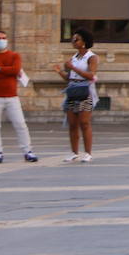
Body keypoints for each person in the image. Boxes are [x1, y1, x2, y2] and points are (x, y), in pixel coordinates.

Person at [54, 27, 99, 163]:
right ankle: (74, 152)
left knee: (84, 122)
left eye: (76, 39)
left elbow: (91, 75)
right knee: (72, 123)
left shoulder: (91, 57)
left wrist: (73, 67)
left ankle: (88, 152)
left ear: (84, 41)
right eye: (73, 39)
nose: (73, 41)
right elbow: (69, 77)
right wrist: (60, 72)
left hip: (85, 91)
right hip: (73, 90)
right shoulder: (74, 57)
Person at [0, 29, 37, 163]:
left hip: (12, 97)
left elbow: (15, 70)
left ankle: (28, 151)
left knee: (20, 124)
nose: (1, 40)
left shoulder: (15, 55)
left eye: (3, 38)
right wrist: (8, 70)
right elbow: (12, 71)